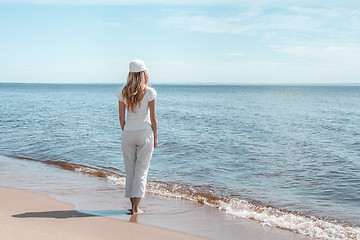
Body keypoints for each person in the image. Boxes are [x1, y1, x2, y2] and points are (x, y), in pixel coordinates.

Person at [116, 59, 157, 214]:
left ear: (130, 74)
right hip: (145, 133)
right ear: (144, 73)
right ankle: (136, 208)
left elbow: (121, 118)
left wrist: (126, 132)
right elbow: (153, 118)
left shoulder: (122, 92)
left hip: (128, 133)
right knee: (141, 170)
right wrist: (156, 137)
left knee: (130, 170)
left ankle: (132, 206)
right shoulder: (149, 92)